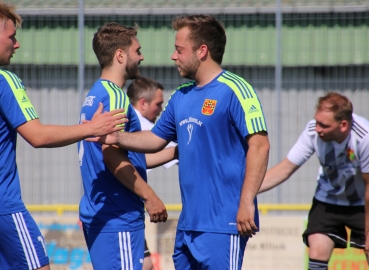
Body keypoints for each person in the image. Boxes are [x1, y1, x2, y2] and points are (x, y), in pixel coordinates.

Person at [88, 14, 270, 269]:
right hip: (187, 227)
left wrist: (246, 202)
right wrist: (115, 136)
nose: (173, 56)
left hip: (223, 223)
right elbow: (154, 139)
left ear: (202, 51)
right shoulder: (181, 96)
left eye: (179, 50)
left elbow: (260, 145)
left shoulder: (236, 89)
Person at [0, 4, 127, 270]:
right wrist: (92, 128)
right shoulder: (5, 81)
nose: (17, 44)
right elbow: (37, 135)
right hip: (5, 207)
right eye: (11, 36)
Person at [78, 22, 176, 270]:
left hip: (103, 213)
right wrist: (150, 196)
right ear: (120, 55)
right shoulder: (115, 96)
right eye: (137, 51)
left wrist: (177, 151)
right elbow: (111, 155)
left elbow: (130, 157)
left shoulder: (95, 93)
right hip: (118, 214)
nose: (141, 57)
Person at [259, 92, 369, 269]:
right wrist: (246, 191)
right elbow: (284, 169)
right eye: (317, 121)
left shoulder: (364, 137)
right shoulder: (313, 132)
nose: (317, 128)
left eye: (324, 125)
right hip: (327, 201)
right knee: (317, 249)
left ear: (343, 125)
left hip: (363, 204)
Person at [127, 76, 178, 270]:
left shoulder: (125, 119)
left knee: (146, 263)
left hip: (120, 209)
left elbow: (139, 160)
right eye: (158, 104)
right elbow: (180, 151)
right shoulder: (144, 128)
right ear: (142, 104)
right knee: (144, 264)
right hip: (121, 211)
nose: (161, 110)